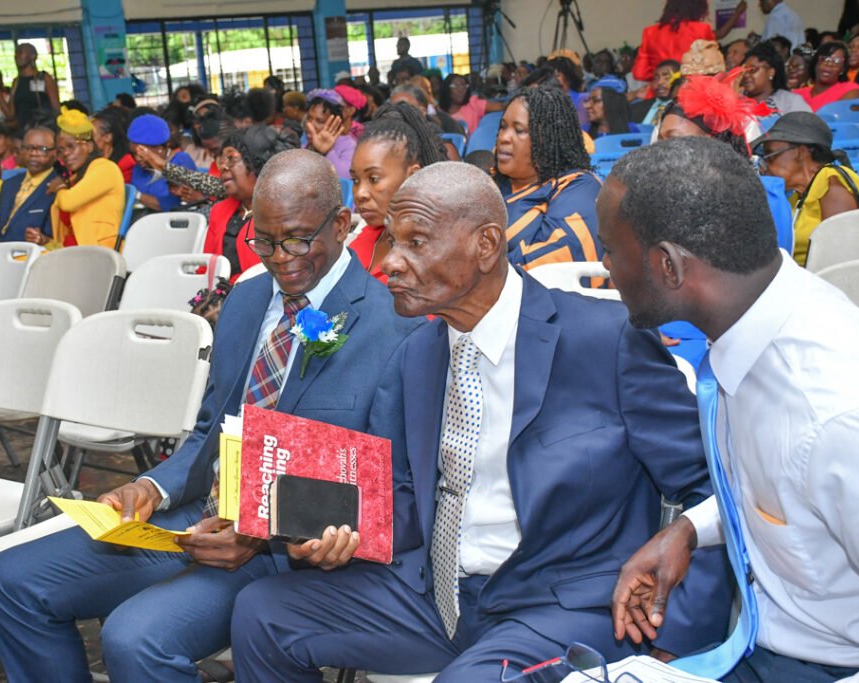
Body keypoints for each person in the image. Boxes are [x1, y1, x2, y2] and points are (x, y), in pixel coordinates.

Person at [230, 160, 731, 681]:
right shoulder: (417, 356)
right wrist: (335, 534)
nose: (392, 264)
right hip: (435, 595)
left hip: (557, 606)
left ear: (486, 245)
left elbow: (710, 489)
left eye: (416, 242)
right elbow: (403, 498)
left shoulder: (604, 339)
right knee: (262, 612)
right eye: (392, 244)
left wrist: (679, 633)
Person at [0, 148, 423, 683]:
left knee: (134, 638)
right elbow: (211, 430)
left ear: (343, 224)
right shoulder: (247, 298)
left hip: (279, 552)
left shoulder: (393, 326)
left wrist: (261, 534)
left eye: (299, 238)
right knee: (9, 580)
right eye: (264, 240)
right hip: (191, 518)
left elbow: (388, 491)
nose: (281, 257)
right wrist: (149, 488)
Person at [602, 135, 859, 683]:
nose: (605, 267)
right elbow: (787, 486)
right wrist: (690, 530)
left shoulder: (835, 413)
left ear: (669, 267)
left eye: (611, 249)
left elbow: (808, 457)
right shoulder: (753, 328)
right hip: (756, 644)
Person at [496, 87, 604, 273]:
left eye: (519, 130)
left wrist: (474, 270)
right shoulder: (489, 182)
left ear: (547, 138)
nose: (503, 138)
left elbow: (555, 262)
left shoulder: (578, 188)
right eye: (503, 127)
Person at [348, 102, 446, 282]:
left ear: (412, 176)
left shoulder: (431, 254)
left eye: (374, 179)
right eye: (355, 180)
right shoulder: (374, 233)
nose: (360, 193)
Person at [753, 111, 859, 266]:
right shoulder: (795, 197)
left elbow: (842, 262)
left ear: (801, 153)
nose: (764, 167)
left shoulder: (831, 184)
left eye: (770, 155)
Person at [200, 125, 297, 279]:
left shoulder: (285, 214)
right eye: (222, 160)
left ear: (257, 163)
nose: (223, 166)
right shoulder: (219, 211)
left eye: (231, 159)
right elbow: (205, 271)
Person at [29, 107, 124, 249]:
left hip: (99, 254)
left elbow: (68, 202)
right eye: (61, 150)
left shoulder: (105, 168)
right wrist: (46, 241)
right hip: (73, 252)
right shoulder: (76, 177)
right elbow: (71, 234)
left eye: (71, 146)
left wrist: (60, 188)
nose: (65, 154)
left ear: (89, 146)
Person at [0, 124, 58, 243]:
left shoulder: (58, 186)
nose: (33, 153)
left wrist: (44, 239)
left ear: (55, 153)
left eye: (42, 149)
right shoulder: (9, 184)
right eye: (28, 148)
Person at [633, 0, 716, 85]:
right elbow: (713, 68)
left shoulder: (650, 32)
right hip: (691, 90)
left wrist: (663, 77)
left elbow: (640, 73)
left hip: (660, 92)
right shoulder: (702, 30)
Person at [127, 113, 197, 213]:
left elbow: (170, 205)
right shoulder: (139, 168)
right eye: (133, 153)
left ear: (159, 148)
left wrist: (135, 195)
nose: (137, 158)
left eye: (141, 153)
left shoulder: (181, 161)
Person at [304, 87, 365, 179]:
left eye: (320, 121)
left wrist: (327, 152)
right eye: (309, 118)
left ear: (335, 122)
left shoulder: (349, 145)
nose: (310, 125)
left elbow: (344, 178)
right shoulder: (305, 141)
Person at [740, 41, 813, 115]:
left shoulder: (790, 101)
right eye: (744, 71)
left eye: (753, 70)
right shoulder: (738, 100)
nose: (746, 75)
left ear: (771, 72)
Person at [794, 41, 859, 111]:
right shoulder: (797, 94)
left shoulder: (850, 89)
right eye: (824, 59)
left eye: (836, 61)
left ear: (843, 69)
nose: (829, 64)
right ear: (815, 63)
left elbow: (841, 117)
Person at [7, 42, 59, 129]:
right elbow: (11, 114)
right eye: (16, 54)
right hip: (21, 129)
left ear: (33, 56)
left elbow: (56, 107)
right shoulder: (16, 81)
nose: (17, 56)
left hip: (42, 127)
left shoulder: (44, 78)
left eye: (20, 52)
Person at [436, 73, 502, 136]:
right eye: (455, 85)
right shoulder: (438, 112)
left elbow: (502, 107)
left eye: (464, 85)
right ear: (446, 88)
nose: (461, 89)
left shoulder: (473, 104)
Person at [90, 107, 135, 183]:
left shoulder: (126, 164)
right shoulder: (94, 161)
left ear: (107, 137)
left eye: (92, 135)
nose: (87, 140)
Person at [630, 60, 681, 124]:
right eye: (655, 78)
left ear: (679, 81)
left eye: (667, 78)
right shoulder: (636, 108)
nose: (659, 82)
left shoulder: (685, 110)